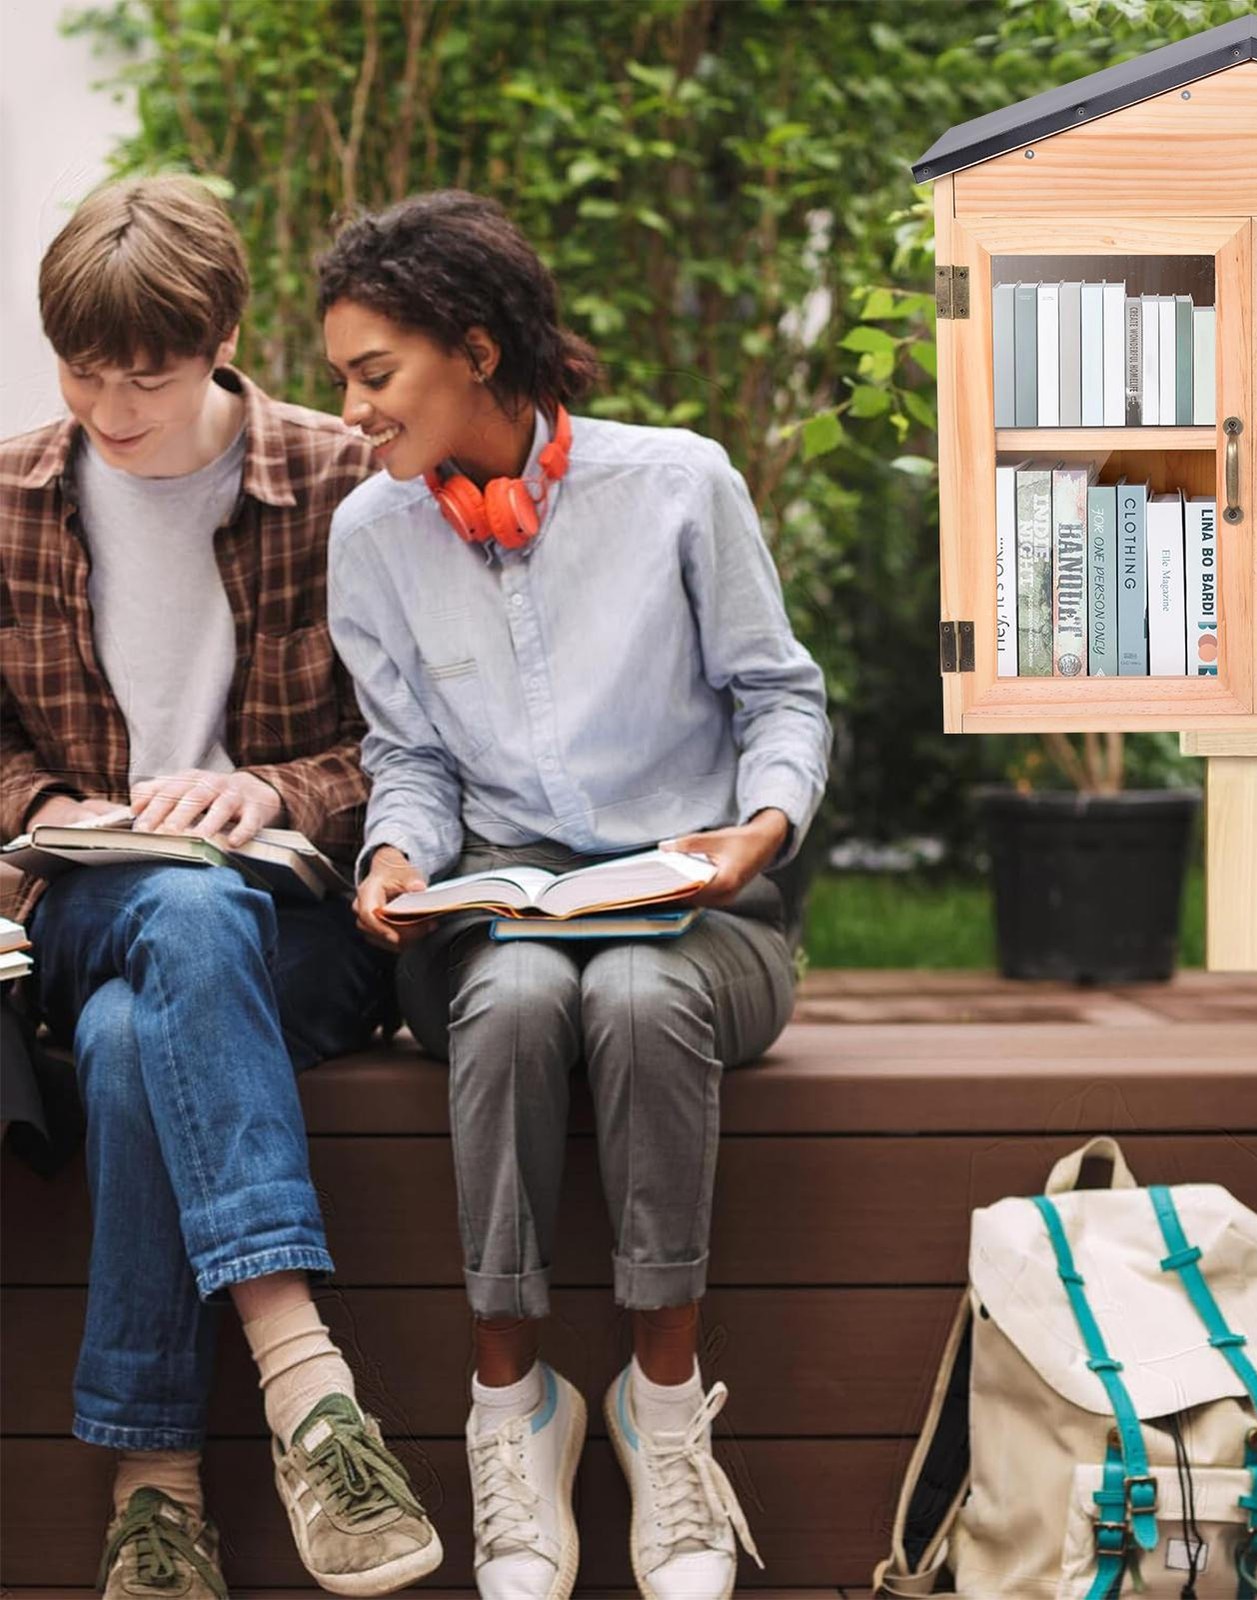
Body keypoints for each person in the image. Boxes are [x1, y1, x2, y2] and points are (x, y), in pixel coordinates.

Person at [319, 190, 830, 1600]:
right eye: (342, 379)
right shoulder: (373, 535)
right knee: (524, 995)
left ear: (477, 351)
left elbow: (779, 695)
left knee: (643, 993)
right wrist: (395, 856)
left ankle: (663, 1411)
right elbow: (410, 758)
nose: (352, 410)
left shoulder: (679, 486)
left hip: (705, 919)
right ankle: (514, 1407)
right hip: (497, 923)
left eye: (375, 373)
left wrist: (759, 831)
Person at [0, 175, 441, 1595]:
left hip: (298, 925)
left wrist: (273, 791)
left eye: (151, 372)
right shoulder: (8, 498)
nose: (112, 406)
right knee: (173, 913)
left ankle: (158, 1493)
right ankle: (310, 1388)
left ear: (225, 339)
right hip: (90, 900)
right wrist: (49, 807)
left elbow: (412, 735)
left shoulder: (342, 479)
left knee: (135, 1039)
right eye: (82, 369)